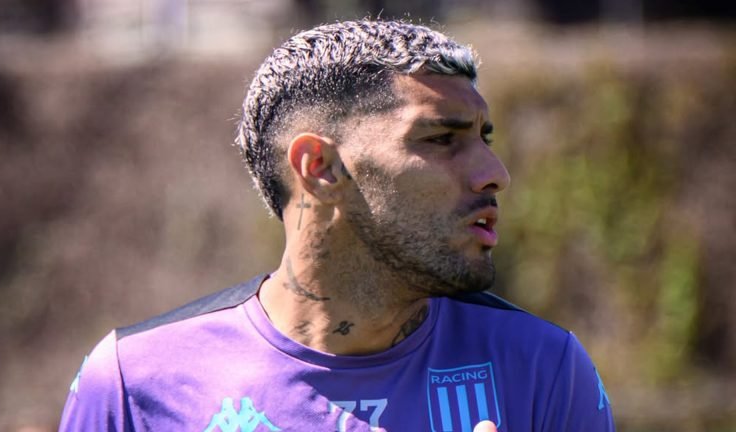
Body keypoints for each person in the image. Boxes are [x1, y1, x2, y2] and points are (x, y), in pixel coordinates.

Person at [59, 20, 615, 431]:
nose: (495, 174)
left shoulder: (542, 369)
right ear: (321, 167)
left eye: (483, 139)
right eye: (442, 139)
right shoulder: (134, 381)